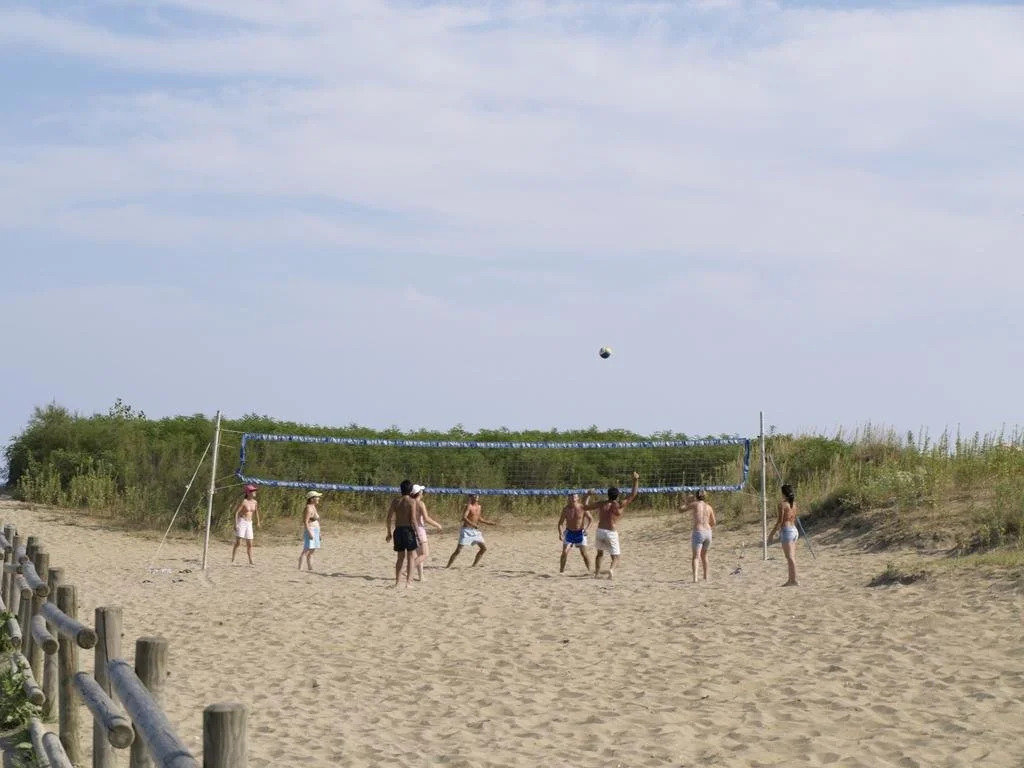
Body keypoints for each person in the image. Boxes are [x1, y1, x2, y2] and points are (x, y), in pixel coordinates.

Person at [583, 472, 639, 579]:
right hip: (611, 532)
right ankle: (611, 570)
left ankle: (596, 574)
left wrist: (587, 495)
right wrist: (636, 480)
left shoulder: (602, 503)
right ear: (617, 496)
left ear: (608, 494)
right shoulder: (619, 505)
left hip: (600, 531)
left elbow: (585, 507)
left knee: (600, 554)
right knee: (616, 557)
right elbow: (633, 494)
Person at [385, 480, 420, 587]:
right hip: (408, 530)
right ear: (410, 490)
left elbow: (388, 518)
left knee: (400, 558)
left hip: (398, 530)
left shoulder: (395, 501)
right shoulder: (412, 501)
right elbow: (413, 519)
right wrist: (417, 533)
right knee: (411, 557)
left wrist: (389, 532)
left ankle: (397, 582)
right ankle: (408, 582)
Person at [446, 494, 495, 568]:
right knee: (458, 550)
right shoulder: (468, 506)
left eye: (477, 495)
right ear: (471, 497)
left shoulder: (479, 507)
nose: (476, 497)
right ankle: (448, 566)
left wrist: (488, 523)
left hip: (475, 531)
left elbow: (478, 517)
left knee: (483, 548)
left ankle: (474, 565)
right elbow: (464, 517)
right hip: (466, 530)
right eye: (474, 496)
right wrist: (473, 524)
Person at [680, 490, 716, 582]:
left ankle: (695, 578)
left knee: (696, 557)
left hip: (698, 532)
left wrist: (687, 501)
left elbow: (681, 510)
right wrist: (706, 526)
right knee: (704, 556)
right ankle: (705, 576)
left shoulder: (695, 504)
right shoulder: (709, 507)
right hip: (708, 533)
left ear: (696, 496)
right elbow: (713, 522)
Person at [768, 483, 800, 586]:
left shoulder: (782, 504)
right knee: (791, 557)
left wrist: (772, 534)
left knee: (790, 557)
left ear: (783, 493)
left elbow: (780, 521)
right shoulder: (794, 504)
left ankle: (794, 580)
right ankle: (791, 579)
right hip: (794, 530)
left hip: (787, 531)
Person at [411, 484, 443, 581]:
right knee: (425, 554)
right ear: (419, 493)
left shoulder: (410, 503)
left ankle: (421, 577)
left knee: (419, 555)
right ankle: (408, 570)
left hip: (411, 529)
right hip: (420, 530)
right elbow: (426, 518)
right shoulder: (421, 504)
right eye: (421, 491)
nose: (423, 492)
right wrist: (437, 525)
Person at [557, 492, 593, 573]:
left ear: (577, 498)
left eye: (574, 496)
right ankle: (561, 571)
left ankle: (590, 571)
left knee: (584, 553)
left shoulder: (582, 507)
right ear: (568, 498)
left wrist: (587, 529)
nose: (573, 498)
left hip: (580, 532)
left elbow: (591, 519)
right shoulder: (566, 509)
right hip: (569, 532)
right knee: (564, 552)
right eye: (571, 496)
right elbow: (560, 523)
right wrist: (560, 533)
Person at [231, 484, 260, 565]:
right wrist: (236, 523)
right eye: (252, 491)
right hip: (242, 521)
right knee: (239, 542)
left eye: (254, 490)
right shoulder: (244, 501)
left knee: (250, 543)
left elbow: (256, 512)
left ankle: (251, 561)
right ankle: (233, 559)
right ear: (248, 492)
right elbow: (236, 512)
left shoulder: (255, 502)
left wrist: (258, 521)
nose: (254, 492)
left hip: (249, 523)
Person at [298, 490, 322, 571]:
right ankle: (300, 569)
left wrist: (319, 533)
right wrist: (310, 533)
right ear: (312, 499)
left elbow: (316, 521)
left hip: (316, 530)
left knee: (312, 551)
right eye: (317, 497)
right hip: (311, 530)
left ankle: (310, 568)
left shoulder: (313, 507)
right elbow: (305, 522)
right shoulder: (308, 508)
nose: (318, 498)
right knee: (306, 550)